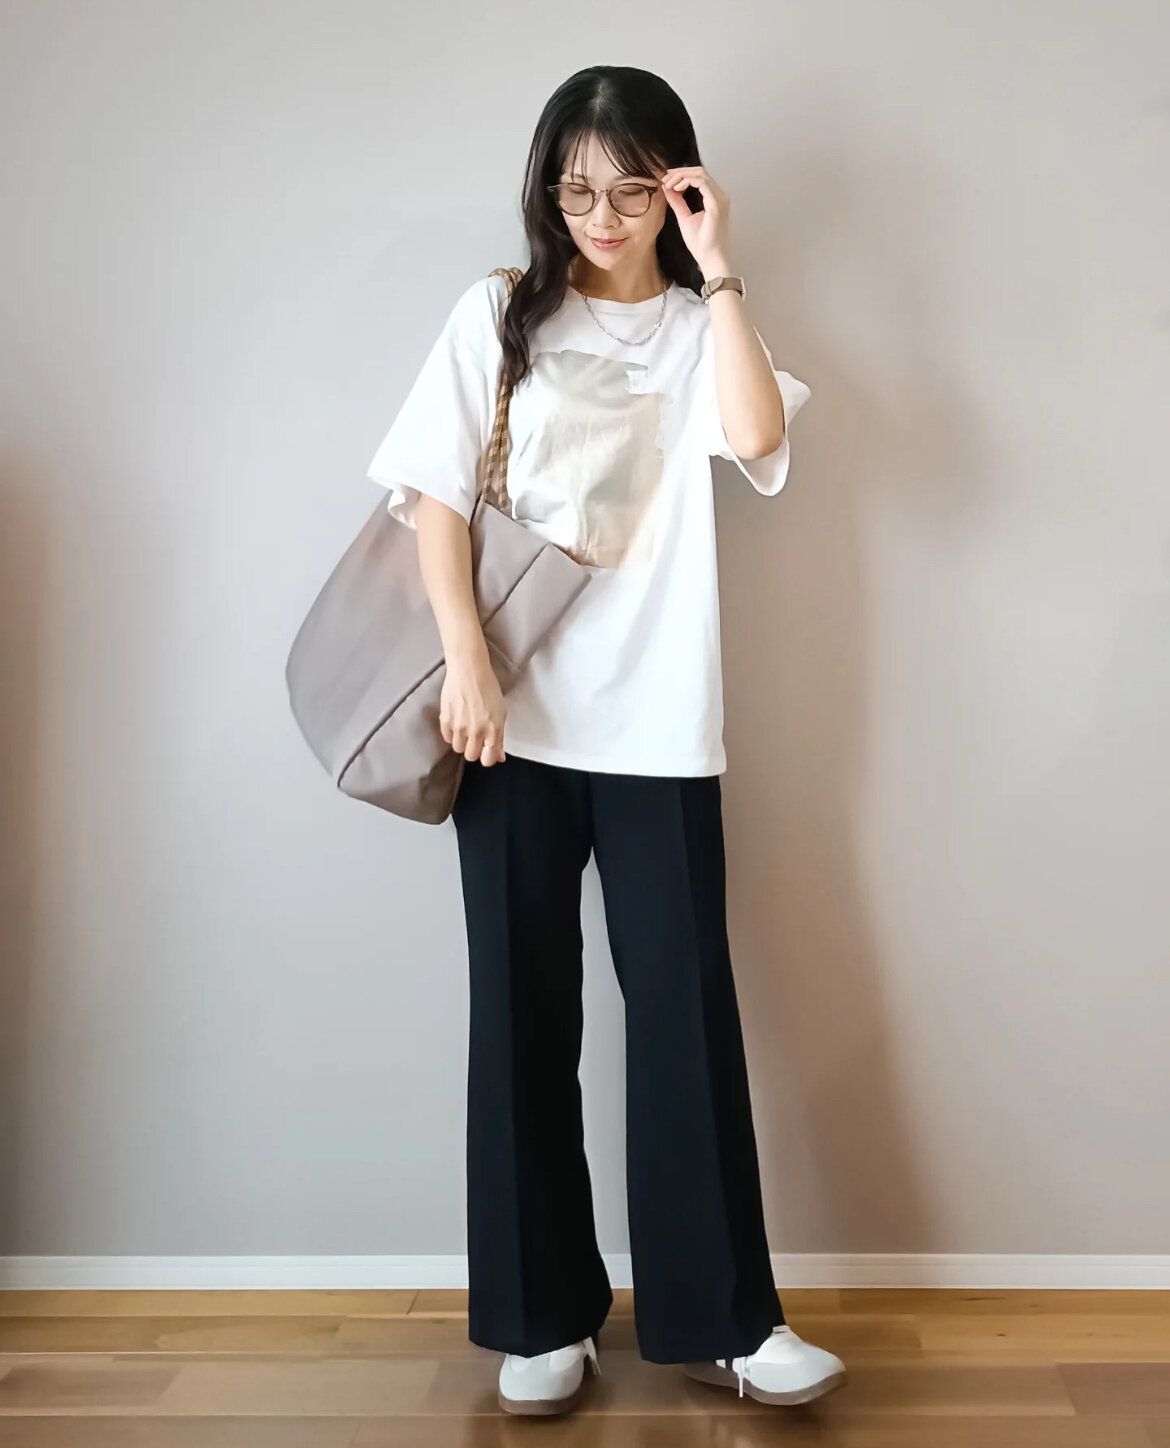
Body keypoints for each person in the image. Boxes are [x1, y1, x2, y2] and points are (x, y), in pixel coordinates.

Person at [365, 65, 845, 1415]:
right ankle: (541, 1321)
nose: (599, 217)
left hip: (660, 726)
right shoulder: (496, 313)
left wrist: (720, 266)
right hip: (511, 724)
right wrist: (467, 666)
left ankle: (727, 1322)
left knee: (686, 1020)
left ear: (673, 187)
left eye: (630, 190)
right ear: (547, 192)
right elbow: (433, 498)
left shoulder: (699, 330)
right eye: (574, 191)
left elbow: (756, 437)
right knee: (522, 1019)